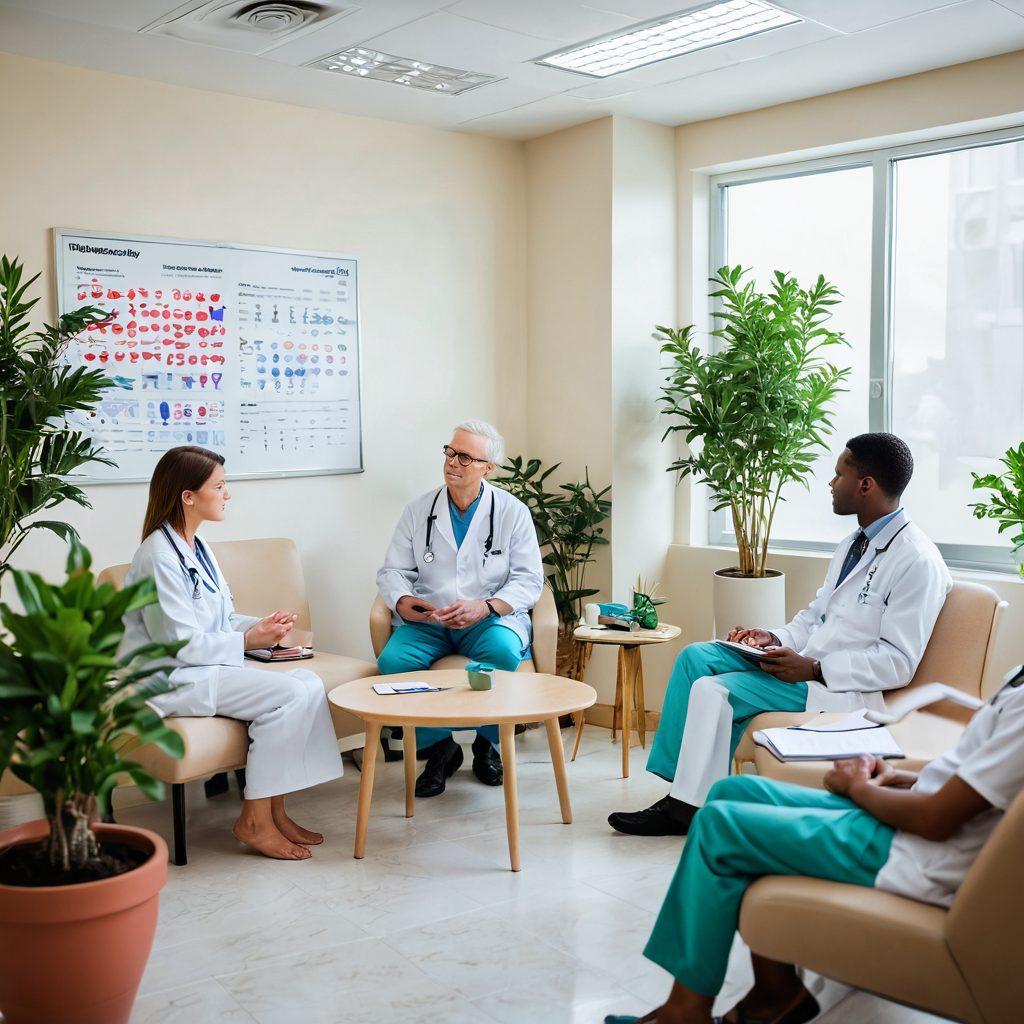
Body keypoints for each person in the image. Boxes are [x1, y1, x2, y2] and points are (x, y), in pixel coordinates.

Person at [604, 662, 1024, 1024]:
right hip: (908, 824)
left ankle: (684, 1014)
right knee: (733, 793)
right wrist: (903, 778)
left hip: (914, 852)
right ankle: (775, 993)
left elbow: (936, 820)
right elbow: (977, 777)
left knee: (719, 824)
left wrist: (857, 787)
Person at [610, 433, 951, 837]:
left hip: (840, 689)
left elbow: (898, 663)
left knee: (712, 690)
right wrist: (771, 638)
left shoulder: (916, 560)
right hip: (806, 666)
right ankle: (680, 787)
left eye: (839, 473)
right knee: (695, 658)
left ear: (866, 485)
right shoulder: (852, 544)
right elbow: (815, 617)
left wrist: (815, 668)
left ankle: (684, 806)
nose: (830, 482)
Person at [121, 445, 342, 861]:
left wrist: (261, 627)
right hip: (171, 675)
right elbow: (179, 643)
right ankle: (254, 821)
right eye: (219, 486)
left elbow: (219, 616)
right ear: (188, 496)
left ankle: (276, 810)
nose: (228, 494)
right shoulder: (157, 556)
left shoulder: (196, 546)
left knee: (309, 682)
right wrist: (246, 642)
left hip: (202, 664)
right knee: (290, 694)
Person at [376, 420, 543, 798]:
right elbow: (392, 571)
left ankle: (487, 745)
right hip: (431, 620)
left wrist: (486, 606)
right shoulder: (419, 510)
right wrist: (405, 602)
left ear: (488, 468)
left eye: (465, 457)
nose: (453, 462)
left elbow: (529, 579)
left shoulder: (512, 512)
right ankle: (440, 749)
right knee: (393, 663)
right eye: (450, 452)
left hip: (489, 618)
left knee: (500, 652)